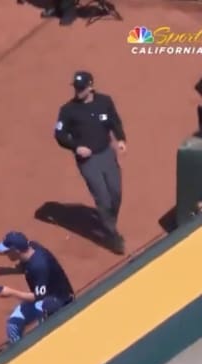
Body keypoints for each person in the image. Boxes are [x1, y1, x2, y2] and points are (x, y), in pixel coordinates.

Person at [54, 71, 127, 255]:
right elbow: (59, 134)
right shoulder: (68, 110)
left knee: (115, 193)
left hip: (106, 154)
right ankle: (112, 235)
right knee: (102, 197)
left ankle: (108, 220)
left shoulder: (105, 101)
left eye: (82, 88)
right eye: (76, 88)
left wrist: (120, 139)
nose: (78, 91)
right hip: (88, 161)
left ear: (91, 86)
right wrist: (76, 147)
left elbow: (114, 121)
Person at [0, 232, 74, 361]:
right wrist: (5, 271)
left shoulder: (39, 266)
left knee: (41, 335)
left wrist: (11, 293)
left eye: (7, 251)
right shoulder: (31, 247)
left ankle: (46, 356)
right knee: (13, 325)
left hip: (59, 302)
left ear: (16, 250)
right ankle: (21, 357)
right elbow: (26, 266)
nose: (5, 254)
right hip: (44, 297)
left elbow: (38, 297)